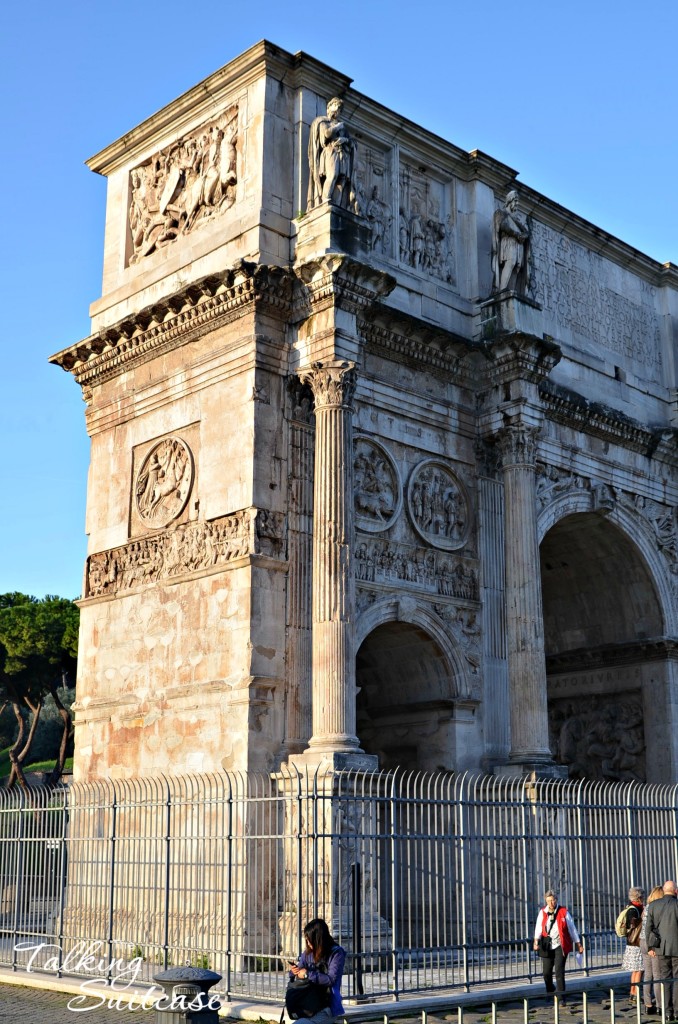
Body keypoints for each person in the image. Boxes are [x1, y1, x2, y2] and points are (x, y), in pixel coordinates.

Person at [289, 917, 346, 1023]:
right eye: (306, 939)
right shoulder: (308, 953)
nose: (308, 943)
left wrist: (308, 974)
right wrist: (294, 971)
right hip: (307, 1006)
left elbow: (331, 979)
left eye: (309, 939)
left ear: (318, 938)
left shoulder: (336, 953)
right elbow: (296, 972)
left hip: (326, 1007)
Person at [533, 888, 584, 1004]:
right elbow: (538, 928)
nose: (551, 903)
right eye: (549, 901)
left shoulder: (564, 912)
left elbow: (572, 929)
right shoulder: (542, 912)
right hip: (547, 944)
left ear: (556, 900)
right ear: (546, 901)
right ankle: (550, 991)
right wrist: (536, 942)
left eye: (553, 900)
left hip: (560, 945)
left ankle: (561, 998)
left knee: (559, 971)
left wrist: (578, 943)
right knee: (546, 972)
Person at [307, 98, 356, 211]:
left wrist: (345, 140)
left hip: (342, 154)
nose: (337, 109)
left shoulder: (341, 125)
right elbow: (327, 134)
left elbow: (351, 142)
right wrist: (338, 126)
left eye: (339, 108)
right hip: (330, 151)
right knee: (332, 175)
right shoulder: (323, 121)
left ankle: (337, 204)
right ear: (329, 107)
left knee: (342, 180)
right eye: (335, 105)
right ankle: (326, 200)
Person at [646, 880, 678, 1020]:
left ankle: (667, 1011)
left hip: (661, 948)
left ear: (664, 890)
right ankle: (677, 1011)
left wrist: (650, 947)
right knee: (676, 979)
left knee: (665, 979)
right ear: (675, 890)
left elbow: (648, 928)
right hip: (677, 947)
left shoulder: (653, 905)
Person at [492, 190, 530, 294]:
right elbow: (503, 226)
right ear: (510, 201)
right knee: (510, 262)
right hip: (508, 243)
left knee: (516, 267)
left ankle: (512, 291)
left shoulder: (516, 220)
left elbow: (526, 231)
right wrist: (517, 234)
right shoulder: (501, 213)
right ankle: (502, 289)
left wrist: (523, 235)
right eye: (516, 201)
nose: (517, 204)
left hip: (517, 245)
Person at [642, 886, 665, 1014]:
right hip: (652, 942)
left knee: (647, 974)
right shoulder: (657, 908)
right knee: (657, 975)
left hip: (642, 941)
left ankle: (648, 1004)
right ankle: (660, 1005)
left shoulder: (646, 908)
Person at [621, 886, 645, 1003]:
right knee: (639, 969)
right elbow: (633, 924)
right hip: (636, 943)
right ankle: (635, 993)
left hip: (631, 943)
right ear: (639, 897)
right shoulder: (634, 909)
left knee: (635, 970)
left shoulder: (631, 907)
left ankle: (632, 993)